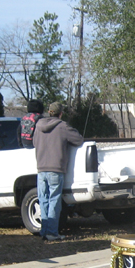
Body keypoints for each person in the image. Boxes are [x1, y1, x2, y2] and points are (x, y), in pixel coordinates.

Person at [32, 101, 84, 241]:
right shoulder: (62, 126)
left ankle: (44, 231)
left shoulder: (38, 126)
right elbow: (78, 140)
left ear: (49, 112)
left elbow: (34, 143)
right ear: (60, 113)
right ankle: (52, 233)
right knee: (54, 201)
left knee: (43, 200)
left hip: (41, 169)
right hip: (56, 169)